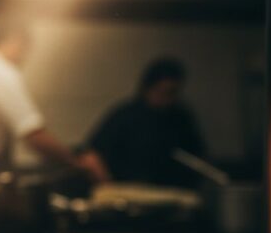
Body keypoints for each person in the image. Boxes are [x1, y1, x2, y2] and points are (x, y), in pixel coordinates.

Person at [0, 16, 108, 181]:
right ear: (15, 39)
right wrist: (77, 162)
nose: (25, 57)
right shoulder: (0, 72)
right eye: (26, 48)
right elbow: (33, 135)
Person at [83, 57, 205, 187]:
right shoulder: (125, 115)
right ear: (148, 88)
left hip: (171, 193)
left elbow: (197, 158)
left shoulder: (181, 118)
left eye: (173, 93)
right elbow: (92, 154)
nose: (167, 99)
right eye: (163, 92)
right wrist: (108, 186)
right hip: (126, 192)